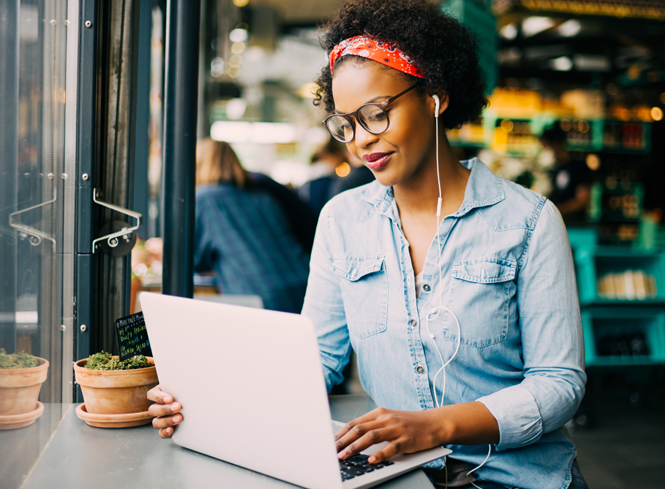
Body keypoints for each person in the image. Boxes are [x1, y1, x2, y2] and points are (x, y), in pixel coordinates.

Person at [148, 2, 587, 488]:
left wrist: (435, 427)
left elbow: (559, 385)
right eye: (346, 124)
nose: (360, 141)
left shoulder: (528, 221)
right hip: (401, 476)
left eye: (376, 114)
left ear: (435, 97)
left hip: (515, 479)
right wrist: (208, 406)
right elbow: (315, 360)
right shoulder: (343, 220)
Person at [192, 138, 311, 313]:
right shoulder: (262, 196)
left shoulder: (205, 199)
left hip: (259, 298)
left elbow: (196, 262)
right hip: (303, 285)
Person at [540, 124, 592, 224]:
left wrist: (556, 210)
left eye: (546, 147)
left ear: (556, 144)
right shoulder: (552, 169)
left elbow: (582, 200)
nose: (544, 151)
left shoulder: (579, 167)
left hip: (574, 225)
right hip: (554, 223)